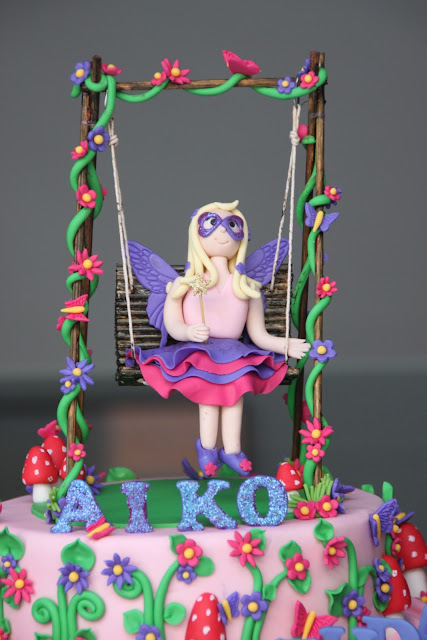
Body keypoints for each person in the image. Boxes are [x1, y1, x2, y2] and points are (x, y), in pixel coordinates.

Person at [134, 200, 309, 476]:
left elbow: (258, 334)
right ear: (196, 235)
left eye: (232, 225)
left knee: (234, 396)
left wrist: (284, 345)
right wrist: (187, 332)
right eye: (211, 224)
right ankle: (207, 448)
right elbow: (174, 323)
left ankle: (232, 449)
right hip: (199, 352)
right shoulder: (187, 284)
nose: (223, 232)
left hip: (234, 354)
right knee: (208, 397)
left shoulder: (245, 288)